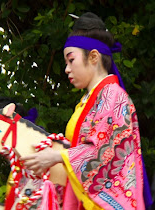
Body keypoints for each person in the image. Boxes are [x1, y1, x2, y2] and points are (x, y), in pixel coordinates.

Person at [21, 12, 152, 209]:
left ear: (93, 57)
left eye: (71, 60)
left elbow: (105, 152)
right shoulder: (88, 100)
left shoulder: (113, 96)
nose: (66, 69)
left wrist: (58, 156)